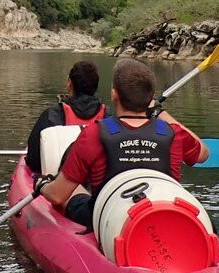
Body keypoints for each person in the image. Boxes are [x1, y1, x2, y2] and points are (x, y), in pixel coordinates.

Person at [35, 57, 209, 229]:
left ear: (114, 94)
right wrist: (159, 112)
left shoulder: (93, 134)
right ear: (151, 98)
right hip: (163, 214)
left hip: (110, 221)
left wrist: (42, 185)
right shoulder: (174, 133)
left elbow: (57, 196)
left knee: (75, 190)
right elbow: (203, 154)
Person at [25, 60, 108, 172]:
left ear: (69, 83)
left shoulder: (52, 115)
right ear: (96, 85)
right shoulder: (109, 118)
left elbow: (33, 161)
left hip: (60, 181)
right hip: (98, 182)